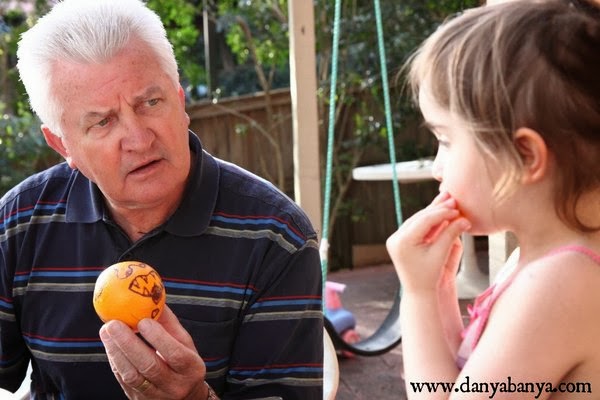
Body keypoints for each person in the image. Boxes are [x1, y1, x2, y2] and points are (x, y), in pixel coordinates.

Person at [0, 0, 323, 399]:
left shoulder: (276, 236)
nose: (139, 139)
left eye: (150, 103)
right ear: (62, 144)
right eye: (102, 122)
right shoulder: (18, 222)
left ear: (181, 102)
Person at [386, 0, 600, 398]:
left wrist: (414, 296)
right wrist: (436, 293)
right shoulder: (541, 262)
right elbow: (458, 381)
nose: (437, 166)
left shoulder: (559, 284)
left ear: (525, 157)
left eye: (447, 141)